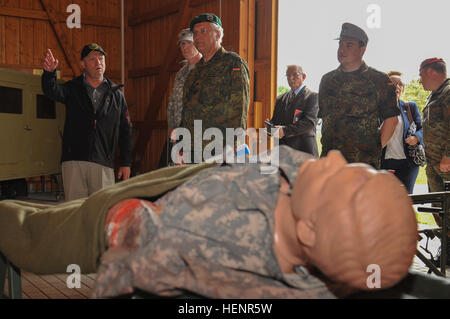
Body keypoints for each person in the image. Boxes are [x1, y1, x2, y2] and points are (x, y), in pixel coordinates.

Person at [90, 147, 417, 298]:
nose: (332, 157)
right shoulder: (312, 195)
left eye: (334, 175)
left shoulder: (211, 237)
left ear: (308, 231)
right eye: (347, 165)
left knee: (52, 228)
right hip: (201, 169)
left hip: (149, 204)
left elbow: (130, 264)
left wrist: (132, 223)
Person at [41, 44, 132, 201]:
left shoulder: (117, 96)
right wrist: (49, 74)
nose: (98, 63)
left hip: (103, 163)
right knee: (75, 214)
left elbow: (126, 131)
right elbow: (52, 91)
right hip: (74, 161)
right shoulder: (72, 88)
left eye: (101, 59)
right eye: (92, 59)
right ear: (83, 64)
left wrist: (125, 162)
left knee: (101, 213)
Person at [318, 23, 400, 169]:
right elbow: (325, 120)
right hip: (330, 163)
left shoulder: (379, 80)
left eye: (349, 45)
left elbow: (392, 121)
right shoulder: (327, 80)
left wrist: (373, 149)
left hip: (363, 164)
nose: (342, 49)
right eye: (340, 44)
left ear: (362, 50)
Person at [179, 13, 250, 163]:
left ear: (217, 34)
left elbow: (239, 107)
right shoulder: (195, 71)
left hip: (219, 146)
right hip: (192, 148)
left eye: (203, 31)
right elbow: (187, 109)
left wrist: (234, 143)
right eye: (195, 33)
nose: (197, 37)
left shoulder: (233, 63)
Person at [419, 57, 450, 266]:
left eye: (421, 74)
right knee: (439, 208)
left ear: (431, 72)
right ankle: (447, 249)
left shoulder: (448, 93)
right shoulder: (434, 95)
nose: (419, 80)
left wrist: (448, 155)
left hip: (446, 163)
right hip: (434, 164)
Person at [158, 29, 202, 168]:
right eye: (182, 44)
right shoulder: (181, 73)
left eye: (189, 43)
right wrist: (172, 128)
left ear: (197, 44)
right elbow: (173, 103)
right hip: (178, 133)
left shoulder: (206, 69)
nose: (185, 47)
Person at [380, 71, 423, 194]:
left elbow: (422, 128)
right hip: (383, 162)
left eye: (400, 84)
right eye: (393, 84)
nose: (397, 87)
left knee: (405, 200)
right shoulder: (375, 109)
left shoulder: (410, 107)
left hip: (407, 163)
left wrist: (416, 137)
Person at [267, 65, 319, 156]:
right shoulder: (280, 99)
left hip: (304, 153)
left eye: (295, 75)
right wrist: (270, 127)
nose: (291, 78)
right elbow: (276, 121)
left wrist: (284, 131)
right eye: (288, 75)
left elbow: (309, 123)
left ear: (303, 77)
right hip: (283, 154)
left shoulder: (313, 97)